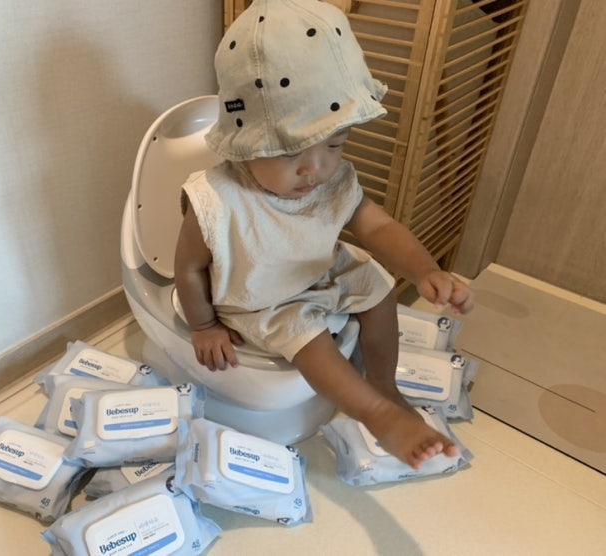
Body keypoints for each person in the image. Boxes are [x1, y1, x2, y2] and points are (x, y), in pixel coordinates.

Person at [174, 0, 474, 470]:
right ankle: (377, 415)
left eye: (335, 144)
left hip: (316, 268)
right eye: (290, 152)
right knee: (310, 339)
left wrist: (425, 271)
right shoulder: (217, 198)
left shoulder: (331, 180)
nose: (315, 168)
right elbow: (189, 268)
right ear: (246, 143)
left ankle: (384, 384)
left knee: (378, 290)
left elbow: (377, 225)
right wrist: (203, 325)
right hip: (261, 295)